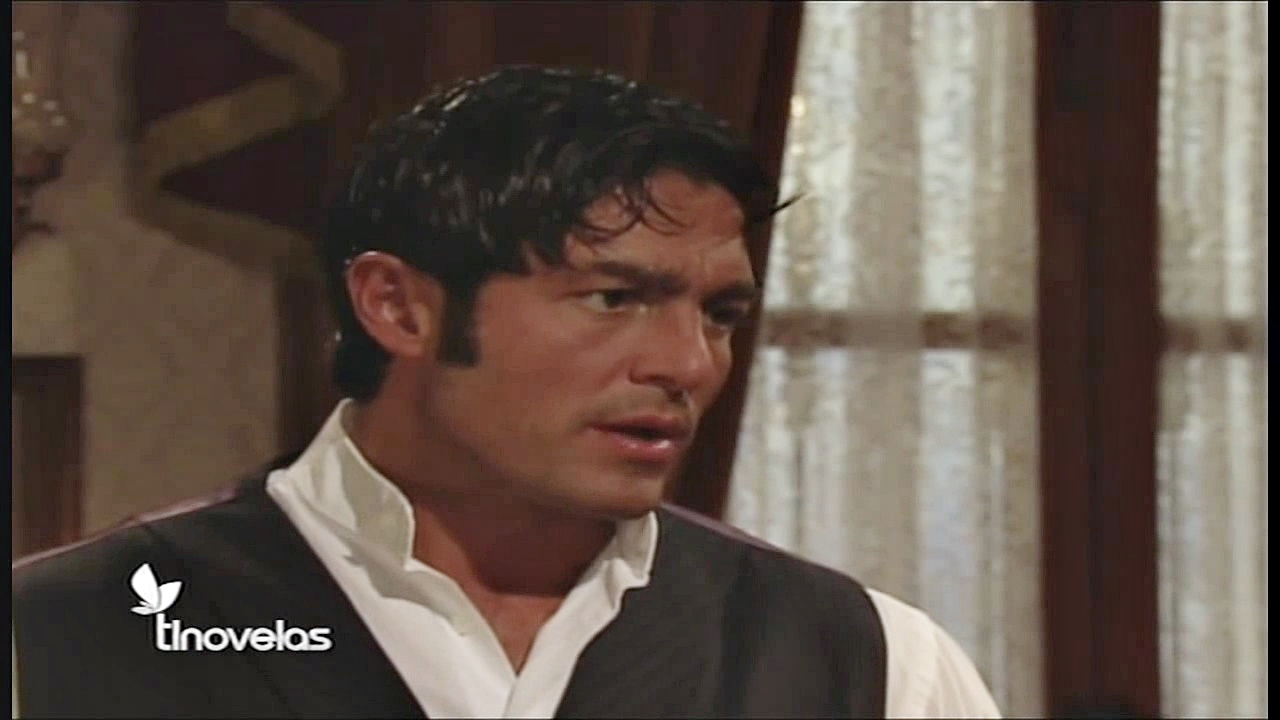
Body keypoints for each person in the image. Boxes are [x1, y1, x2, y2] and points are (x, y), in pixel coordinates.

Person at [12, 66, 1001, 719]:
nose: (690, 364)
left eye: (720, 313)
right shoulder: (55, 641)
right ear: (397, 306)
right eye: (615, 298)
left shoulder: (867, 667)